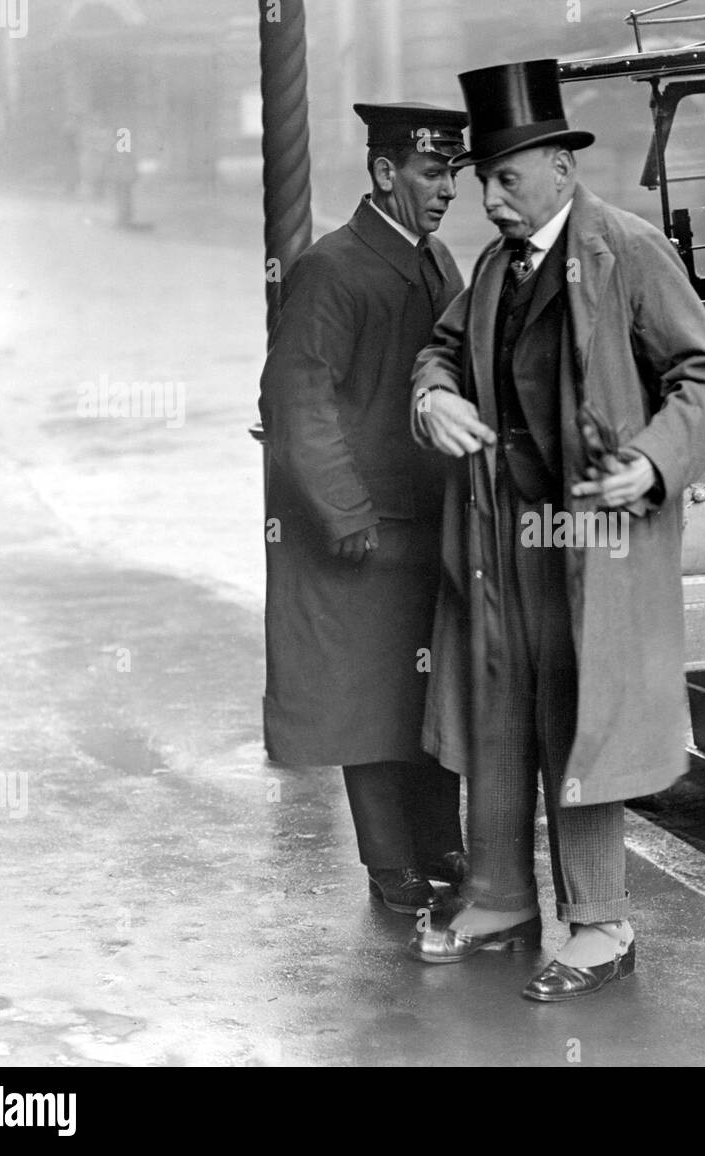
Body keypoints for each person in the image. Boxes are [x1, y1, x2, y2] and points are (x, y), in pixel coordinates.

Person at [407, 60, 705, 1000]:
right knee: (497, 706)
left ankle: (602, 924)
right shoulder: (494, 268)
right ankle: (502, 898)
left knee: (579, 716)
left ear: (558, 167)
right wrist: (433, 395)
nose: (490, 198)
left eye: (506, 177)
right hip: (499, 533)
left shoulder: (625, 251)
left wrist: (655, 461)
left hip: (592, 541)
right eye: (481, 180)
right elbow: (440, 346)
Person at [258, 102, 471, 916]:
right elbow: (296, 396)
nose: (447, 187)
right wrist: (345, 513)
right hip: (371, 532)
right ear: (386, 174)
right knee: (369, 700)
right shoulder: (333, 267)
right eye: (431, 171)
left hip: (433, 524)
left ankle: (441, 841)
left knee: (432, 690)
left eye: (452, 172)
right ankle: (392, 865)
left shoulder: (436, 263)